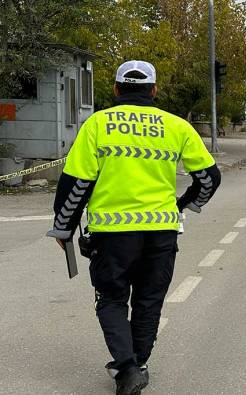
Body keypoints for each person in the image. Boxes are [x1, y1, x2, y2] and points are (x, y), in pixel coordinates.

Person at [46, 60, 221, 395]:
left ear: (115, 90)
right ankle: (137, 364)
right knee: (149, 299)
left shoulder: (98, 124)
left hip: (111, 237)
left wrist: (64, 227)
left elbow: (77, 182)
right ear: (154, 91)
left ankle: (126, 367)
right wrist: (184, 204)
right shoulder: (177, 127)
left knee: (111, 298)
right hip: (162, 232)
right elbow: (209, 178)